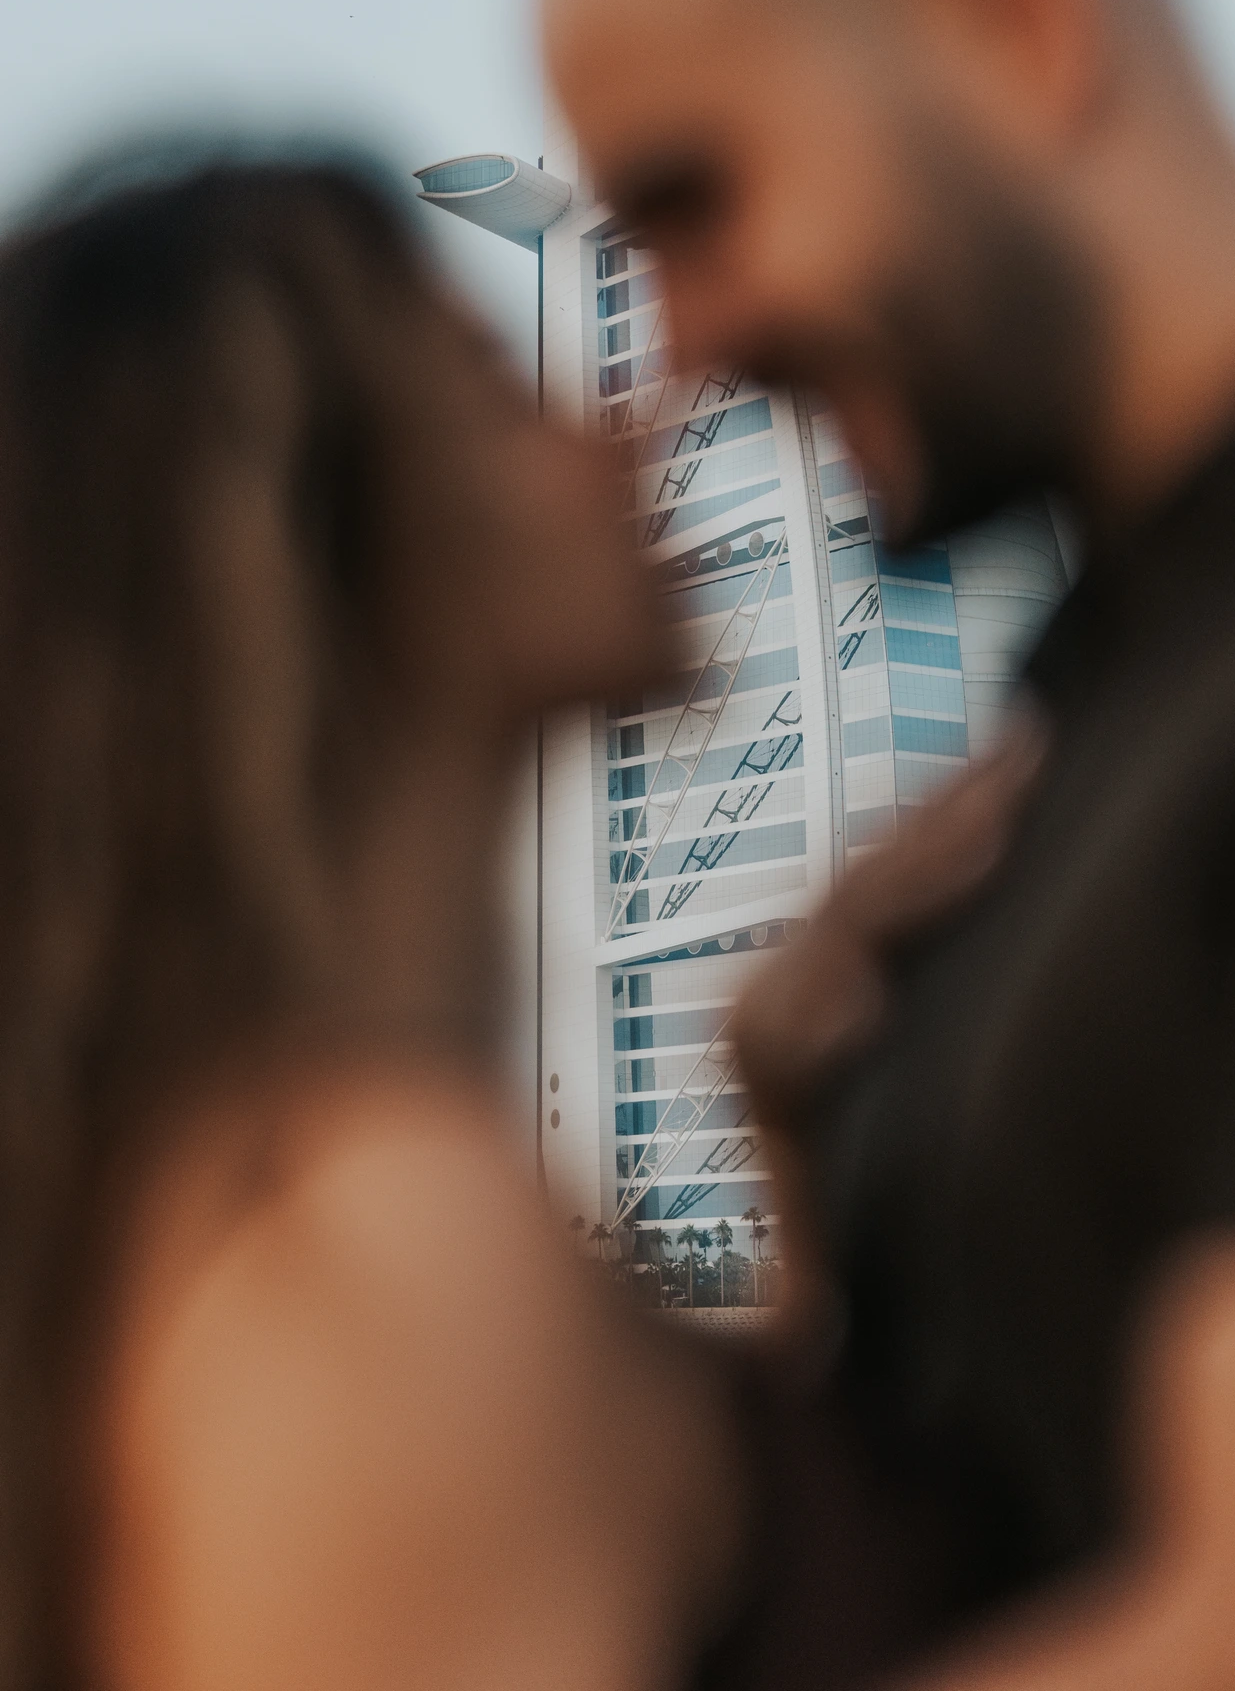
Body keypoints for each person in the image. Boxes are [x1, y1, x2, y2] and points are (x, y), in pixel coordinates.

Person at [542, 0, 1235, 1686]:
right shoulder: (1090, 714)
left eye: (693, 200)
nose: (683, 348)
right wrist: (806, 1132)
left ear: (1012, 10)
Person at [0, 144, 744, 1691]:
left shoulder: (245, 1207)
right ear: (311, 542)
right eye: (501, 392)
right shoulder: (369, 1250)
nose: (624, 424)